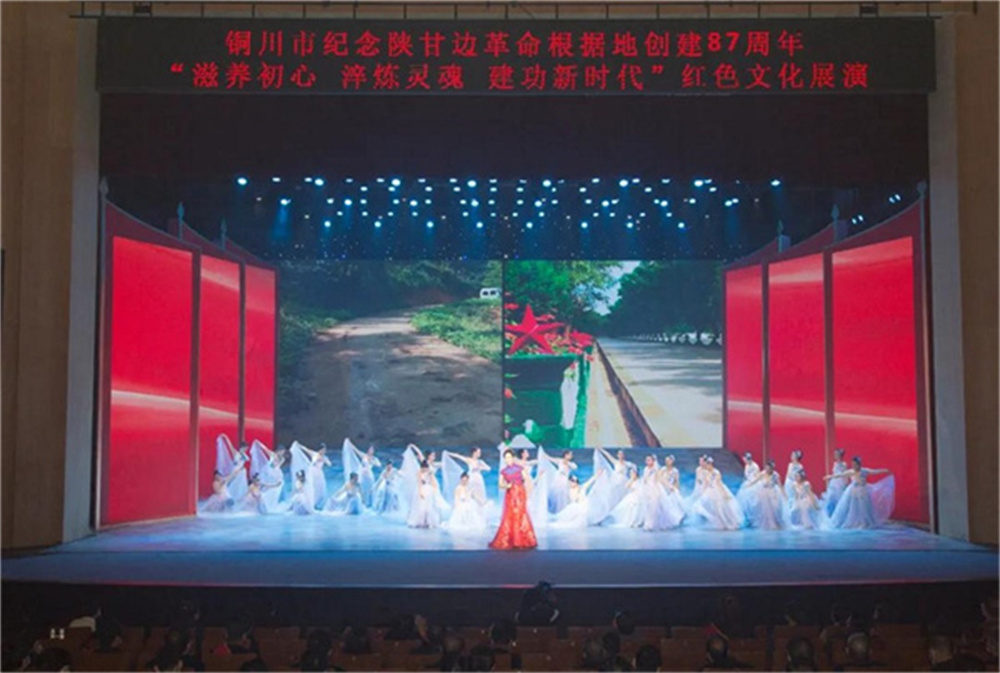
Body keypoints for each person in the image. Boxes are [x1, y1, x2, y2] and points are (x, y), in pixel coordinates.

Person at [825, 457, 894, 529]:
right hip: (854, 492)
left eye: (856, 464)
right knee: (854, 507)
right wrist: (830, 476)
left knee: (865, 507)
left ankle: (865, 522)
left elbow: (875, 471)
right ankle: (855, 522)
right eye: (853, 464)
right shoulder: (851, 472)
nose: (854, 466)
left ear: (859, 464)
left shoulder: (864, 471)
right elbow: (841, 475)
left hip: (863, 491)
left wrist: (885, 471)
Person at [489, 450, 538, 550]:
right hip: (510, 494)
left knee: (520, 514)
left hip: (520, 493)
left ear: (513, 458)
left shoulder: (519, 468)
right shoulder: (504, 471)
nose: (507, 459)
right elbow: (500, 484)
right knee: (510, 515)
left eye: (509, 457)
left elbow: (526, 479)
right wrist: (507, 485)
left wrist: (528, 491)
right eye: (506, 458)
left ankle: (521, 539)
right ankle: (512, 539)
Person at [691, 457, 744, 530]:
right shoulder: (707, 473)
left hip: (717, 490)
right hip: (710, 490)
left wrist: (724, 494)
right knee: (703, 505)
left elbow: (719, 484)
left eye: (707, 465)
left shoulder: (716, 472)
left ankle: (728, 523)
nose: (706, 466)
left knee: (721, 508)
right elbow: (706, 483)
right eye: (706, 465)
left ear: (711, 465)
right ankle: (718, 522)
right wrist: (703, 492)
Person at [290, 441, 331, 510]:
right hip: (312, 473)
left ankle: (318, 504)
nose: (323, 451)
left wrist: (323, 460)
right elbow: (306, 449)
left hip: (319, 474)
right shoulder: (314, 454)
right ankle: (311, 502)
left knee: (320, 489)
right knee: (312, 488)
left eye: (324, 450)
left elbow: (329, 464)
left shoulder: (324, 457)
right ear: (319, 449)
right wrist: (298, 445)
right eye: (322, 450)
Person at [743, 461, 784, 529]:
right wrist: (749, 485)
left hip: (773, 493)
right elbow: (755, 480)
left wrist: (784, 494)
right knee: (766, 509)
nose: (767, 469)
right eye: (766, 468)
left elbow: (780, 485)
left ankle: (776, 522)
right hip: (764, 493)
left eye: (769, 468)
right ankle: (768, 523)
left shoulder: (775, 475)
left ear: (772, 468)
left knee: (775, 507)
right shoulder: (763, 473)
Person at [408, 460, 448, 529]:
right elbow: (419, 483)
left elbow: (433, 482)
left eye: (426, 468)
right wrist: (420, 492)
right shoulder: (419, 473)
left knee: (429, 507)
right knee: (421, 507)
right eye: (423, 468)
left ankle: (428, 522)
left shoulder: (429, 472)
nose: (425, 469)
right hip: (422, 489)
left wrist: (435, 489)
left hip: (429, 490)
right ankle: (421, 522)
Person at [341, 439, 381, 508]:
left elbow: (379, 465)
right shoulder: (364, 456)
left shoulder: (374, 459)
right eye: (370, 449)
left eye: (372, 449)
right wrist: (350, 444)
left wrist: (373, 462)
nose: (371, 451)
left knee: (370, 489)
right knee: (361, 488)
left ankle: (369, 503)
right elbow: (356, 451)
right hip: (362, 475)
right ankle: (362, 502)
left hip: (369, 475)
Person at [249, 440, 285, 513]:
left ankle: (268, 505)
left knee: (273, 489)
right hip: (267, 472)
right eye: (282, 451)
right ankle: (259, 505)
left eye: (283, 452)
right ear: (279, 450)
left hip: (274, 474)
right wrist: (259, 443)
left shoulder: (282, 459)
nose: (282, 453)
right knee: (262, 488)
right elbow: (265, 449)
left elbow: (277, 466)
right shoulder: (272, 454)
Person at [822, 449, 850, 516]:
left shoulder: (843, 464)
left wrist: (846, 484)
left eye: (836, 454)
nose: (835, 456)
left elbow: (844, 474)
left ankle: (839, 514)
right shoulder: (835, 463)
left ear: (840, 455)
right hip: (834, 483)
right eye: (834, 454)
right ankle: (831, 513)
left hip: (840, 483)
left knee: (839, 498)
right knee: (831, 497)